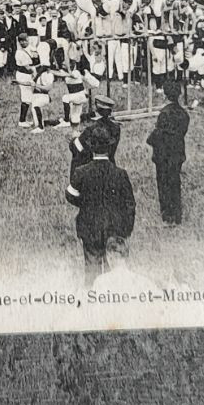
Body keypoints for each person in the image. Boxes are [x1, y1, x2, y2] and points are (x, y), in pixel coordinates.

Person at [64, 121, 135, 285]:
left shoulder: (81, 172)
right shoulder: (120, 174)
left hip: (89, 226)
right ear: (109, 147)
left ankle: (91, 300)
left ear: (91, 147)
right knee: (115, 271)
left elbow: (70, 195)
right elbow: (130, 204)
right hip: (115, 227)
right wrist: (126, 228)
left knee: (92, 269)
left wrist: (86, 203)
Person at [144, 79, 189, 226]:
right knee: (174, 183)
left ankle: (167, 216)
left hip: (163, 155)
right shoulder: (183, 114)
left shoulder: (164, 114)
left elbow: (159, 134)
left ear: (165, 95)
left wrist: (150, 139)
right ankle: (177, 215)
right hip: (177, 153)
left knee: (163, 185)